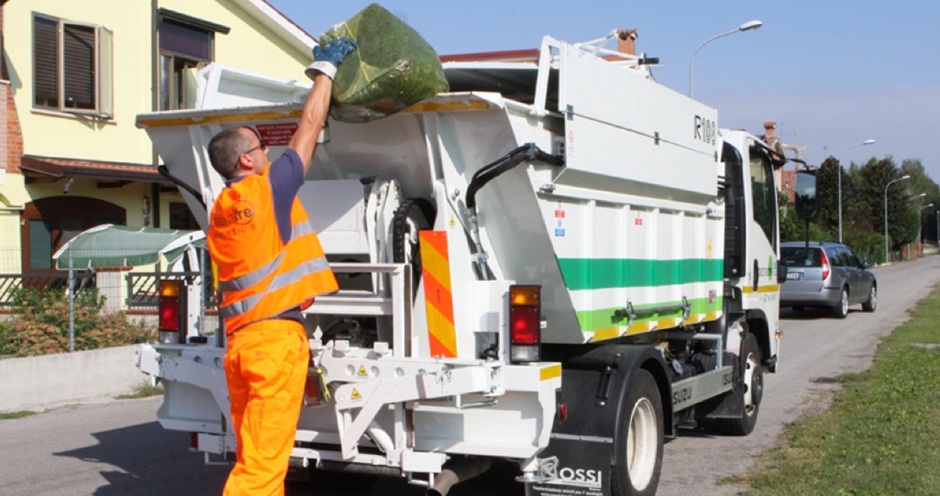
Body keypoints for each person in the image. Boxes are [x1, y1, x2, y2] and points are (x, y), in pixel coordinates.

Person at [205, 38, 357, 496]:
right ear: (246, 160)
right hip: (273, 345)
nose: (269, 152)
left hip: (241, 346)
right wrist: (325, 70)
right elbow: (308, 128)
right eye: (260, 147)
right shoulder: (265, 191)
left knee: (255, 455)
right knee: (261, 472)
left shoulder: (221, 209)